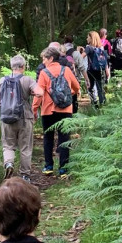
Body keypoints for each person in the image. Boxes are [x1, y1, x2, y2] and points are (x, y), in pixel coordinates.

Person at [35, 46, 80, 177]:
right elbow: (76, 87)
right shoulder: (66, 70)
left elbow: (39, 94)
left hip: (48, 110)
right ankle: (63, 169)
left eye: (44, 58)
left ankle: (48, 166)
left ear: (51, 58)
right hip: (65, 109)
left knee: (48, 138)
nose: (43, 61)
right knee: (64, 138)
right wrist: (70, 94)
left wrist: (34, 109)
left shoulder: (44, 73)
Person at [0, 55, 41, 180]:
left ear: (11, 66)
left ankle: (9, 163)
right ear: (23, 67)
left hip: (6, 118)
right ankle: (24, 175)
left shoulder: (2, 80)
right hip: (25, 118)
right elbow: (40, 92)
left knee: (8, 145)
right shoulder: (27, 80)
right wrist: (31, 93)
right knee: (25, 147)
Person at [85, 30, 109, 107]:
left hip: (91, 70)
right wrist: (107, 71)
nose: (87, 39)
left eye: (88, 37)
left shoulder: (89, 48)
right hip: (100, 70)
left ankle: (94, 104)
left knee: (90, 88)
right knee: (100, 88)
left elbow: (81, 56)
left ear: (91, 38)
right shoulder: (101, 48)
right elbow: (104, 60)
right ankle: (103, 103)